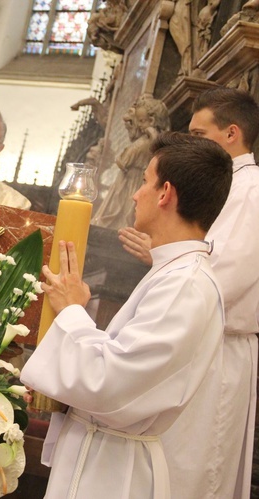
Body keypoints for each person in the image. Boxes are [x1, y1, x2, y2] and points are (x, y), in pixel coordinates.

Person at [21, 132, 233, 498]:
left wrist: (72, 311)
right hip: (102, 456)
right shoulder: (172, 273)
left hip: (113, 475)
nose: (135, 194)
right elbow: (128, 363)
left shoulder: (185, 285)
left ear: (165, 193)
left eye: (144, 182)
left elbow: (112, 383)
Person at [119, 87, 259, 498]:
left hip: (218, 347)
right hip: (197, 340)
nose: (189, 142)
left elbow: (226, 280)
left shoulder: (250, 191)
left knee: (196, 469)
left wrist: (164, 253)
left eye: (199, 134)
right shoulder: (228, 184)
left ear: (232, 133)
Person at [92, 94, 170, 230]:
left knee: (123, 207)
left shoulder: (142, 144)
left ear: (151, 121)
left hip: (130, 182)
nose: (137, 125)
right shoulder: (148, 143)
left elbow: (122, 162)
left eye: (140, 120)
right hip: (134, 180)